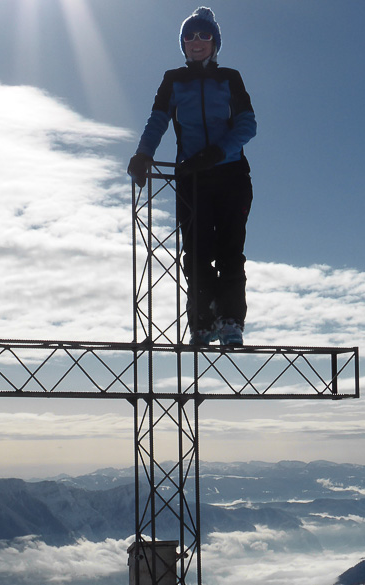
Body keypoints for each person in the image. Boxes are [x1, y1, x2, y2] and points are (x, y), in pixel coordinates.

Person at [128, 7, 256, 347]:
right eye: (189, 36)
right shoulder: (173, 80)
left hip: (230, 174)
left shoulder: (230, 77)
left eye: (204, 35)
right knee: (197, 253)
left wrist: (216, 152)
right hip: (192, 179)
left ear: (215, 42)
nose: (196, 41)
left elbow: (248, 124)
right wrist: (143, 154)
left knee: (230, 251)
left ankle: (230, 322)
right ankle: (202, 322)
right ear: (182, 43)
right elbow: (158, 120)